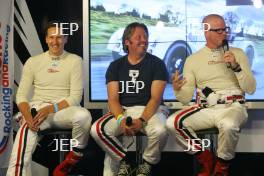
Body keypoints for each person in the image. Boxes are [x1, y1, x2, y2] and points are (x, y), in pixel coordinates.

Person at [166, 14, 256, 176]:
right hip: (206, 108)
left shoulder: (238, 53)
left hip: (233, 107)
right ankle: (204, 158)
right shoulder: (193, 60)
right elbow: (186, 98)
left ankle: (222, 166)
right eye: (219, 30)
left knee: (228, 125)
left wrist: (236, 67)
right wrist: (178, 89)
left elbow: (251, 89)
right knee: (172, 123)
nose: (224, 33)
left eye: (225, 29)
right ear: (206, 31)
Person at [7, 21, 92, 176]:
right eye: (51, 37)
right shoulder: (33, 62)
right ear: (46, 39)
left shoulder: (75, 60)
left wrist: (50, 109)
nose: (55, 41)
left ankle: (74, 156)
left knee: (84, 115)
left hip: (63, 110)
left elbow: (75, 97)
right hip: (38, 110)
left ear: (66, 39)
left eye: (59, 37)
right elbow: (21, 95)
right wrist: (27, 116)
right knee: (25, 138)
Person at [90, 22, 169, 176]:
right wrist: (121, 120)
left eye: (146, 37)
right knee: (97, 130)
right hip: (124, 110)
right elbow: (113, 100)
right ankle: (125, 159)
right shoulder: (115, 66)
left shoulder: (157, 64)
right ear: (127, 41)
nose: (144, 40)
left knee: (160, 131)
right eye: (139, 36)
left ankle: (146, 163)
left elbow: (155, 99)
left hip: (151, 110)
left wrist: (142, 121)